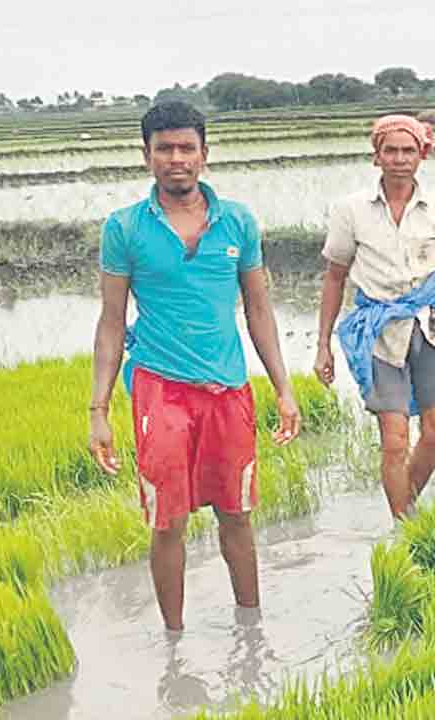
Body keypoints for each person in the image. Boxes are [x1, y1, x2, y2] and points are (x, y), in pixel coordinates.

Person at [88, 101, 301, 631]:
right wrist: (98, 410)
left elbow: (259, 309)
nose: (176, 158)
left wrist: (284, 388)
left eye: (187, 147)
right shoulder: (125, 228)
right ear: (146, 156)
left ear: (205, 154)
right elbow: (111, 322)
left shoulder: (238, 222)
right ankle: (174, 643)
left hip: (228, 389)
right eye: (164, 149)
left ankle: (251, 631)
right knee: (168, 521)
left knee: (237, 514)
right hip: (160, 391)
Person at [314, 114, 435, 519]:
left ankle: (405, 511)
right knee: (394, 442)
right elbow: (335, 277)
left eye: (408, 150)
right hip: (380, 333)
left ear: (421, 155)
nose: (399, 159)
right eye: (390, 150)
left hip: (431, 329)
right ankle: (404, 526)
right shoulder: (351, 210)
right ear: (376, 157)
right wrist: (323, 345)